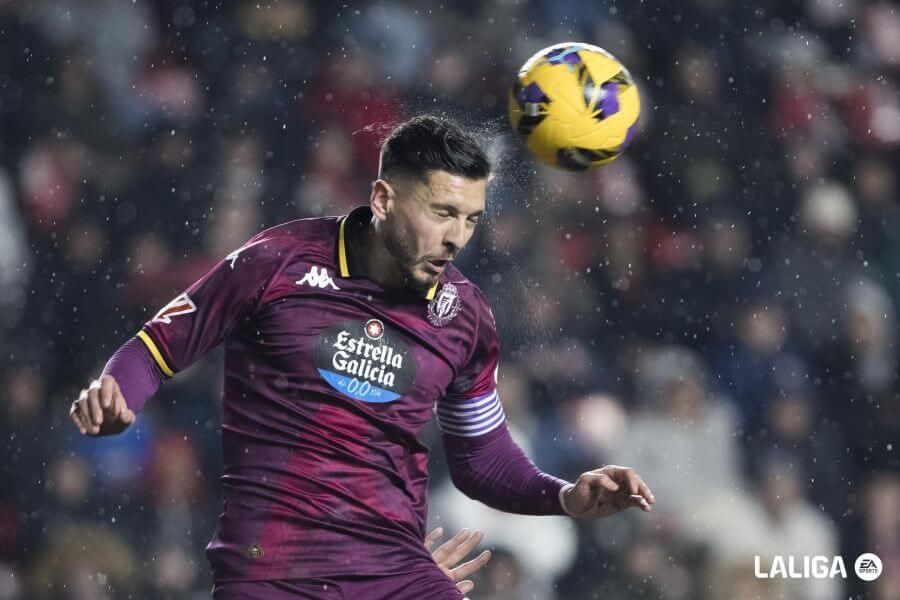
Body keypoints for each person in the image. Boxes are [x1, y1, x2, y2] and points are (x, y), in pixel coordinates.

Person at [70, 115, 656, 599]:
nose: (457, 238)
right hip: (271, 571)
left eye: (471, 220)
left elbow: (481, 458)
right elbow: (154, 349)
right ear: (382, 197)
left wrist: (564, 496)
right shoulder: (275, 262)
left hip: (397, 573)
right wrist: (119, 396)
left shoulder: (464, 316)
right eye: (442, 213)